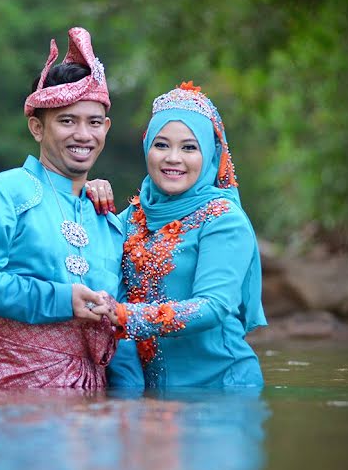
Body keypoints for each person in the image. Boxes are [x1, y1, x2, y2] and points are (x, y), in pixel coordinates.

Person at [0, 27, 123, 389]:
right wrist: (61, 299)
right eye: (67, 121)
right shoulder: (2, 193)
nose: (83, 135)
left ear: (106, 128)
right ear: (37, 128)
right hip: (12, 386)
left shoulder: (105, 214)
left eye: (93, 122)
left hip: (96, 393)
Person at [90, 81, 267, 388]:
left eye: (189, 147)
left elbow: (213, 306)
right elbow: (88, 249)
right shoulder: (133, 216)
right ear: (147, 149)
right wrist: (87, 194)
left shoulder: (223, 220)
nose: (173, 158)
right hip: (152, 394)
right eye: (161, 145)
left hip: (219, 390)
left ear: (210, 155)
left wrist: (126, 315)